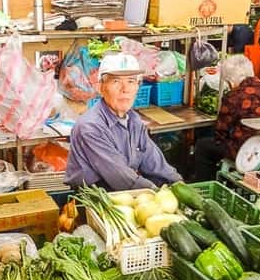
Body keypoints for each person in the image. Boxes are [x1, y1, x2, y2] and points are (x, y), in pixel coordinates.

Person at [64, 53, 183, 191]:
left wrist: (178, 184)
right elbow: (121, 178)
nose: (125, 89)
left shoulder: (134, 120)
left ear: (138, 87)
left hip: (123, 192)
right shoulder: (90, 127)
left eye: (131, 81)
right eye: (116, 82)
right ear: (101, 87)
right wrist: (156, 192)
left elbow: (154, 162)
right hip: (95, 197)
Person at [194, 55, 260, 181]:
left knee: (203, 146)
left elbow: (221, 132)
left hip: (248, 152)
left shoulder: (234, 96)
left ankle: (205, 184)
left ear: (231, 81)